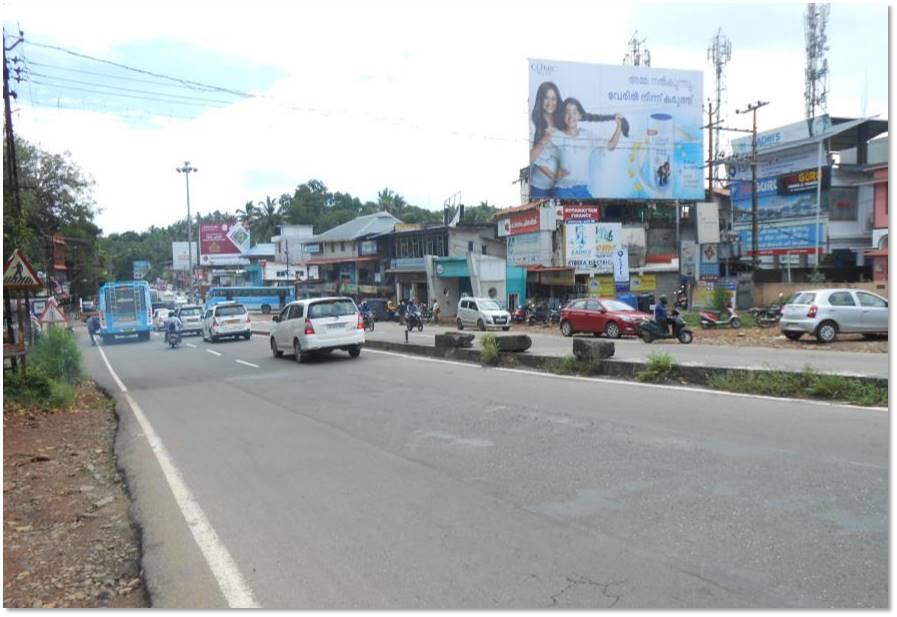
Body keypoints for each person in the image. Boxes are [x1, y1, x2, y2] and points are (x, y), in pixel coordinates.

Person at [554, 97, 626, 199]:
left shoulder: (587, 136)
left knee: (592, 212)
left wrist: (619, 126)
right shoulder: (557, 136)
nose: (571, 116)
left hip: (582, 191)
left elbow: (611, 146)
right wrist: (552, 174)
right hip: (562, 191)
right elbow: (542, 160)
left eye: (574, 112)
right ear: (563, 115)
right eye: (567, 112)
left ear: (580, 115)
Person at [529, 81, 564, 198]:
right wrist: (545, 138)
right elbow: (532, 158)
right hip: (539, 187)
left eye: (553, 99)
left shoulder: (560, 121)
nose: (550, 103)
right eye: (546, 98)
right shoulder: (534, 123)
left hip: (558, 187)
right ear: (540, 99)